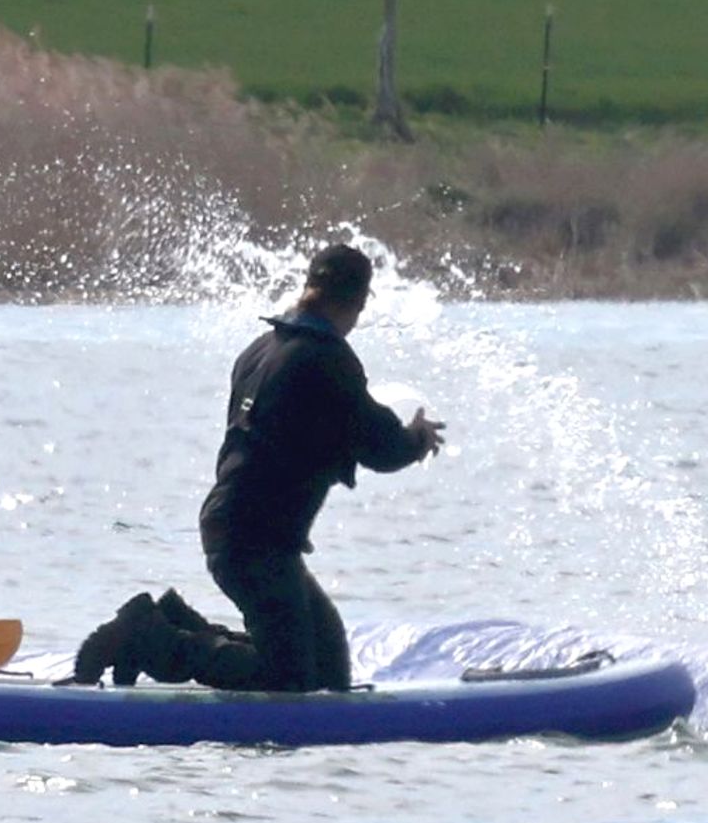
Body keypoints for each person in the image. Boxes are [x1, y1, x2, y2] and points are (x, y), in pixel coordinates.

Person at [73, 244, 444, 691]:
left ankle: (170, 621)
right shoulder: (328, 360)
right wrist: (418, 438)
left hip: (245, 530)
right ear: (360, 301)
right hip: (255, 541)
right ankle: (146, 638)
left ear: (311, 286)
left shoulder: (260, 349)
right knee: (288, 679)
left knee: (327, 673)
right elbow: (382, 448)